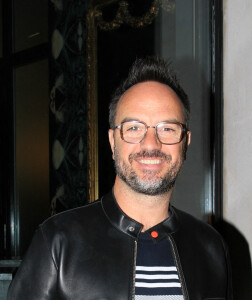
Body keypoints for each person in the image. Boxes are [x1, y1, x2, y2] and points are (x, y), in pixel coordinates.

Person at [7, 57, 232, 299]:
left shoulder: (211, 248)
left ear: (185, 142)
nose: (150, 144)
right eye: (134, 128)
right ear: (113, 142)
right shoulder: (57, 241)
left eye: (167, 128)